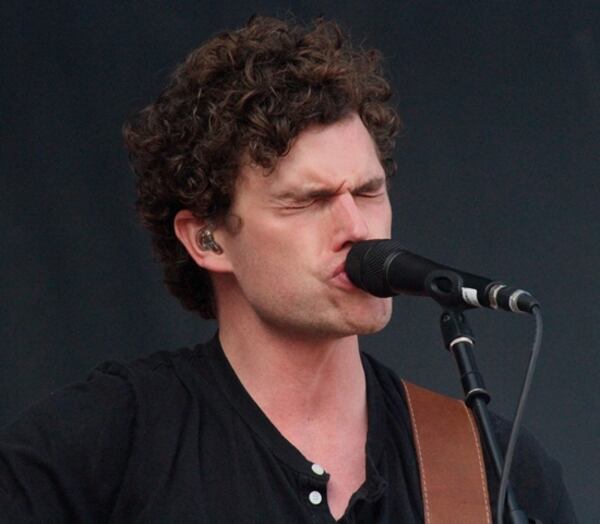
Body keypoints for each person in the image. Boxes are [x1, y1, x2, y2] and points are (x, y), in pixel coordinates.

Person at [0, 16, 576, 523]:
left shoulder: (494, 469)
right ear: (207, 239)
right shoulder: (100, 448)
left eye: (369, 192)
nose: (358, 227)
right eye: (307, 200)